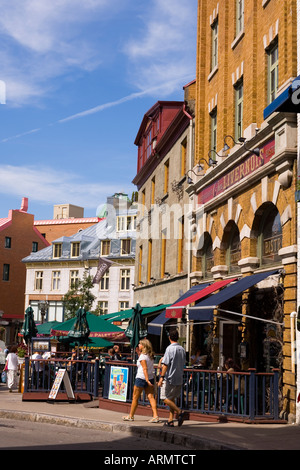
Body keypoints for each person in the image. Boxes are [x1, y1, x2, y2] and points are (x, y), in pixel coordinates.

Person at [123, 338, 160, 423]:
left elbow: (144, 368)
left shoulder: (143, 357)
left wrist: (146, 379)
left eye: (140, 344)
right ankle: (155, 415)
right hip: (150, 378)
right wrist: (148, 380)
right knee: (151, 397)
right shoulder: (150, 356)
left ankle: (131, 415)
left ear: (143, 346)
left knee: (135, 397)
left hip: (141, 378)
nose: (138, 345)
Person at [158, 329, 186, 427]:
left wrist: (161, 377)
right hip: (179, 377)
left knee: (164, 398)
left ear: (169, 337)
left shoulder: (169, 349)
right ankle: (170, 420)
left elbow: (165, 364)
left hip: (170, 377)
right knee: (171, 399)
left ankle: (179, 411)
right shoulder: (182, 349)